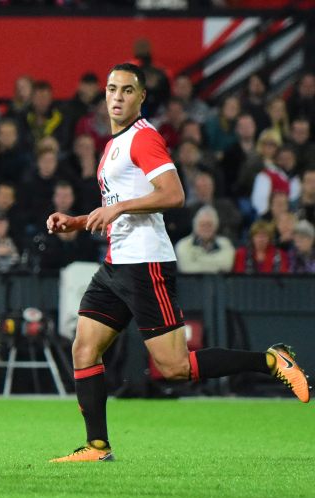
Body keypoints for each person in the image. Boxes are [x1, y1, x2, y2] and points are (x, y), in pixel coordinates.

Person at [46, 63, 310, 463]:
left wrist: (118, 212)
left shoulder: (144, 138)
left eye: (127, 90)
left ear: (141, 97)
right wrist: (79, 221)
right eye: (112, 89)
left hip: (146, 262)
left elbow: (173, 194)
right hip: (117, 263)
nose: (117, 97)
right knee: (84, 348)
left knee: (174, 368)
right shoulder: (112, 145)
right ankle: (97, 447)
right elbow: (118, 206)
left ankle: (272, 360)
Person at [174, 206, 235, 274]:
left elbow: (226, 266)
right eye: (202, 225)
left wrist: (198, 259)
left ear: (216, 226)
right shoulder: (183, 244)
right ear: (195, 226)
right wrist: (216, 263)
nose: (206, 228)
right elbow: (187, 268)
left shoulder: (225, 243)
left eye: (209, 225)